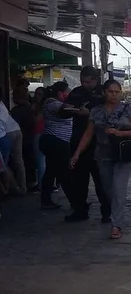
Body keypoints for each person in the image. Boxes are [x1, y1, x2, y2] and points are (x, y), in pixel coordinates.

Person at [70, 80, 131, 239]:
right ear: (104, 92)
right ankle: (114, 213)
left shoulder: (128, 109)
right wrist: (77, 154)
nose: (114, 95)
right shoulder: (96, 111)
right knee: (108, 190)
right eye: (111, 92)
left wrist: (120, 133)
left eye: (117, 92)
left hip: (123, 156)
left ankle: (116, 224)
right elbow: (89, 135)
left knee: (118, 189)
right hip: (103, 156)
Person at [66, 66, 110, 222]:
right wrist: (69, 110)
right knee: (78, 179)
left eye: (88, 81)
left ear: (95, 79)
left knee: (101, 180)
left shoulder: (104, 93)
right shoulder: (76, 92)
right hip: (78, 140)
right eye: (83, 81)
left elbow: (109, 111)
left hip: (98, 142)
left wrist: (89, 113)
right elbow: (64, 109)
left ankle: (107, 212)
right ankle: (80, 210)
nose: (85, 84)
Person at [39, 81, 76, 210]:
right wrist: (77, 108)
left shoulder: (56, 103)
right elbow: (64, 111)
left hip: (57, 141)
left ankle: (46, 199)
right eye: (66, 93)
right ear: (60, 93)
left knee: (52, 171)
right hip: (55, 141)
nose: (67, 95)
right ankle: (75, 201)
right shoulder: (52, 103)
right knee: (64, 172)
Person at [10, 86, 37, 191]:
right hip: (29, 137)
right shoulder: (30, 108)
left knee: (20, 161)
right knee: (28, 160)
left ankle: (22, 184)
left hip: (23, 137)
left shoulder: (16, 111)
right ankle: (30, 181)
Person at [0, 97, 26, 194]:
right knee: (18, 161)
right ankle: (22, 187)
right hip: (16, 129)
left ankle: (12, 188)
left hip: (5, 134)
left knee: (3, 165)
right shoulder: (2, 104)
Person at [31, 87, 46, 188]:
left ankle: (42, 183)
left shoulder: (42, 107)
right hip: (38, 133)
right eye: (36, 94)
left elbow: (35, 121)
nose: (37, 96)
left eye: (40, 94)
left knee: (40, 159)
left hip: (40, 133)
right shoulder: (36, 106)